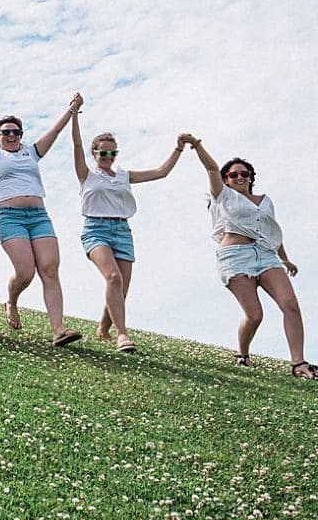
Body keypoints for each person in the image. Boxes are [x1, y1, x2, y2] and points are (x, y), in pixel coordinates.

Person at [0, 77, 83, 346]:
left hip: (40, 217)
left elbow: (53, 133)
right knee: (26, 272)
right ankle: (12, 300)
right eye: (5, 132)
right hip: (10, 218)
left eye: (15, 132)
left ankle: (58, 330)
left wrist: (72, 109)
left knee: (50, 269)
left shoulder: (31, 152)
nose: (10, 136)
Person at [186, 138, 314, 378]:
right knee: (255, 315)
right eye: (233, 175)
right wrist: (197, 145)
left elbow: (271, 231)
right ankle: (243, 353)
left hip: (266, 255)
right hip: (234, 257)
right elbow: (211, 168)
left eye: (244, 173)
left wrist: (284, 259)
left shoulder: (265, 201)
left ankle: (299, 364)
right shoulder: (222, 196)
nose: (239, 177)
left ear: (251, 177)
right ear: (226, 179)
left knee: (290, 305)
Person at [70, 106, 188, 353]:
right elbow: (77, 146)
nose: (108, 156)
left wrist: (178, 148)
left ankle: (104, 328)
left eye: (112, 152)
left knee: (120, 287)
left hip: (123, 230)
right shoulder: (87, 175)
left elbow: (160, 173)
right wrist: (74, 115)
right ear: (95, 153)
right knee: (113, 277)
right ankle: (122, 335)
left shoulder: (123, 176)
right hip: (96, 229)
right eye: (103, 152)